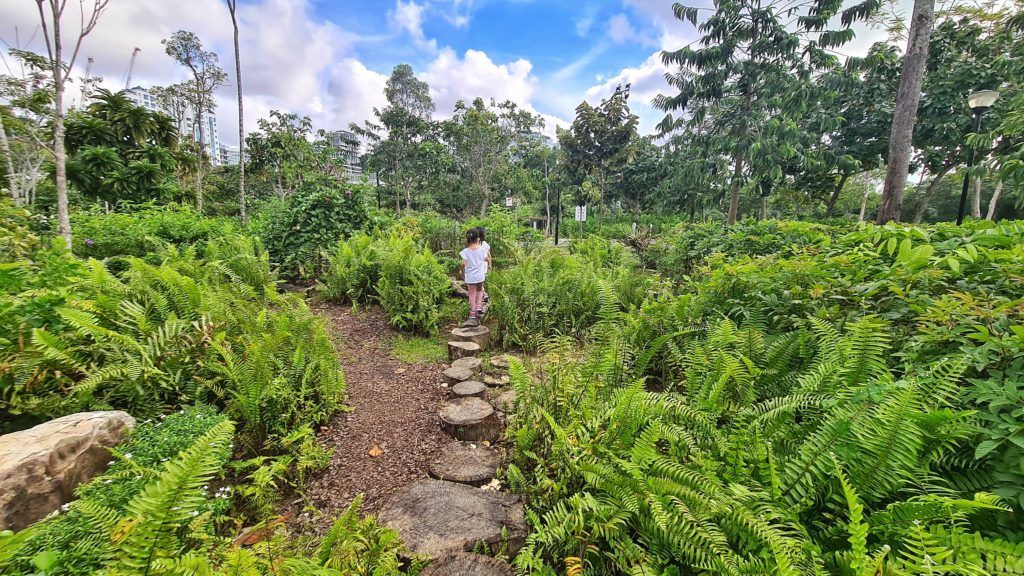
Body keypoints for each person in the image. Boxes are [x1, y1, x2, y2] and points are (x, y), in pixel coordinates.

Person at [460, 228, 488, 323]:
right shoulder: (482, 250)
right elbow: (486, 259)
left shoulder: (465, 252)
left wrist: (462, 272)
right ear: (478, 239)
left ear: (468, 239)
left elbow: (463, 264)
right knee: (480, 291)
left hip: (471, 276)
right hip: (480, 275)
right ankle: (479, 306)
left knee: (472, 294)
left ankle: (472, 312)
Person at [476, 227, 492, 303]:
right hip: (484, 266)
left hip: (478, 265)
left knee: (478, 282)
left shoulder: (475, 244)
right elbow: (489, 256)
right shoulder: (485, 244)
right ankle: (483, 294)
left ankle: (484, 294)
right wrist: (489, 265)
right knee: (480, 281)